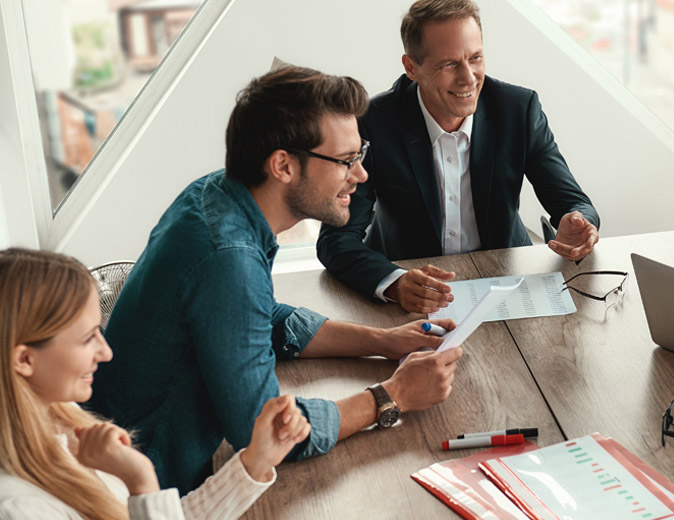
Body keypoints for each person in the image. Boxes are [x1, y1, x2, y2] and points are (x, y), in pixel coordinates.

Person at [88, 66, 463, 495]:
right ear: (283, 164)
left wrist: (382, 341)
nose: (360, 176)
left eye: (360, 156)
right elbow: (269, 432)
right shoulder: (228, 259)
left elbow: (259, 318)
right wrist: (392, 397)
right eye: (346, 161)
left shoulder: (213, 195)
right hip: (145, 489)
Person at [316, 0, 601, 314]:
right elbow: (336, 240)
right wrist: (395, 282)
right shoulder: (373, 122)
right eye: (449, 64)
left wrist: (578, 223)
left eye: (475, 58)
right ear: (411, 68)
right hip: (411, 289)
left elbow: (573, 202)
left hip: (507, 281)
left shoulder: (518, 110)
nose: (469, 78)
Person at [0, 248, 311, 520]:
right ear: (24, 360)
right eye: (87, 338)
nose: (106, 352)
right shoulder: (19, 509)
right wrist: (141, 481)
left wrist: (256, 461)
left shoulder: (58, 417)